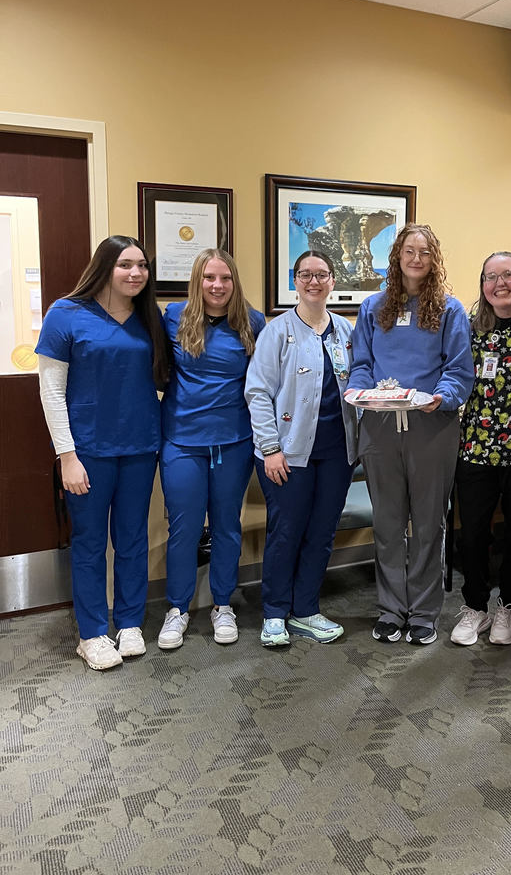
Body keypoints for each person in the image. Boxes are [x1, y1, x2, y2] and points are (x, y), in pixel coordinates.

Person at [35, 235, 169, 670]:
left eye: (142, 265)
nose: (136, 273)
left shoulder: (149, 317)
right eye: (125, 264)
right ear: (104, 267)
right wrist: (66, 455)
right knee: (90, 543)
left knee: (132, 539)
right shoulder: (65, 313)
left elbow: (160, 378)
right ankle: (92, 633)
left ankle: (129, 623)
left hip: (140, 446)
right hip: (87, 451)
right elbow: (51, 391)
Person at [348, 223, 474, 645]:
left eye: (424, 251)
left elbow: (459, 370)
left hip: (431, 428)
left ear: (434, 259)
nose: (416, 258)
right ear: (397, 257)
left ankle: (423, 612)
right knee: (386, 524)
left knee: (427, 525)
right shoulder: (373, 307)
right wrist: (358, 391)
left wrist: (442, 397)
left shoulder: (450, 310)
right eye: (409, 251)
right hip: (380, 428)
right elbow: (362, 365)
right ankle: (390, 609)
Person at [245, 250, 357, 648]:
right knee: (286, 531)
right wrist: (270, 447)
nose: (314, 281)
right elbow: (257, 393)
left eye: (321, 274)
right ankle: (275, 613)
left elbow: (357, 385)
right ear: (295, 281)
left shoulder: (345, 331)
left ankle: (306, 610)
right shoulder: (276, 331)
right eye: (305, 274)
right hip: (287, 453)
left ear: (332, 281)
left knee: (322, 532)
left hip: (337, 453)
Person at [157, 249, 265, 650]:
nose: (217, 285)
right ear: (197, 281)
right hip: (181, 440)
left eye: (225, 278)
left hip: (233, 441)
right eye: (209, 277)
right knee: (184, 529)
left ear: (235, 282)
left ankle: (222, 605)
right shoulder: (173, 316)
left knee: (226, 526)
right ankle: (177, 609)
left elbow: (263, 382)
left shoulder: (253, 322)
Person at [450, 252, 511, 648]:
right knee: (473, 534)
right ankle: (475, 606)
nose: (500, 283)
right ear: (483, 285)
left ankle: (507, 606)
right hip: (477, 446)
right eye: (491, 277)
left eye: (508, 274)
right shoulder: (469, 328)